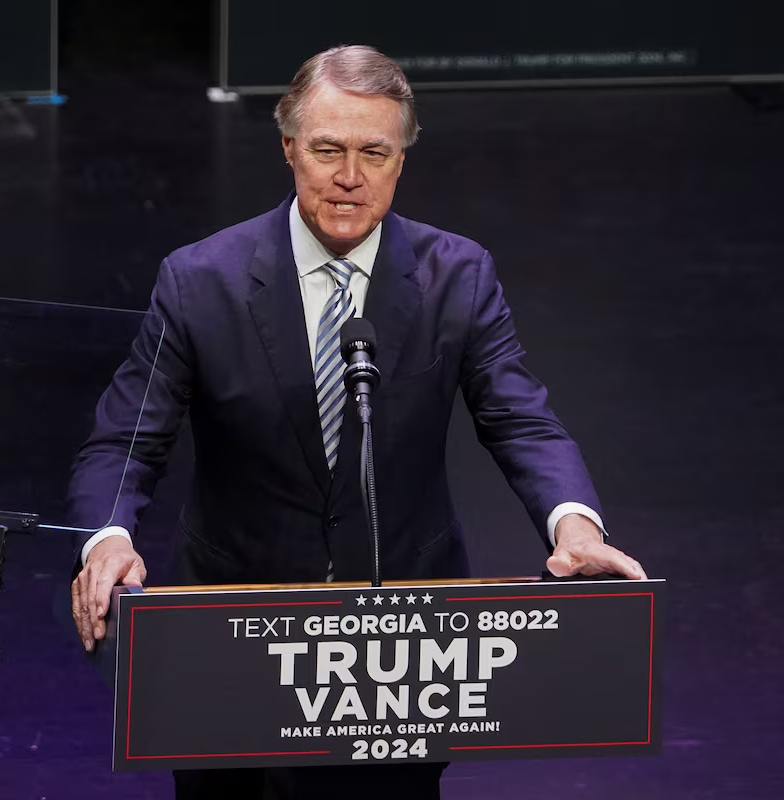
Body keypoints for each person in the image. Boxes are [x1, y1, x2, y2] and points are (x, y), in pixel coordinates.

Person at [68, 44, 647, 800]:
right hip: (237, 634)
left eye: (374, 152)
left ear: (401, 158)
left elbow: (520, 418)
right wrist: (108, 537)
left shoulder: (457, 274)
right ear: (288, 149)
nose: (349, 177)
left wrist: (576, 527)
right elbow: (126, 438)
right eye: (327, 150)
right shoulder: (199, 278)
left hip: (402, 649)